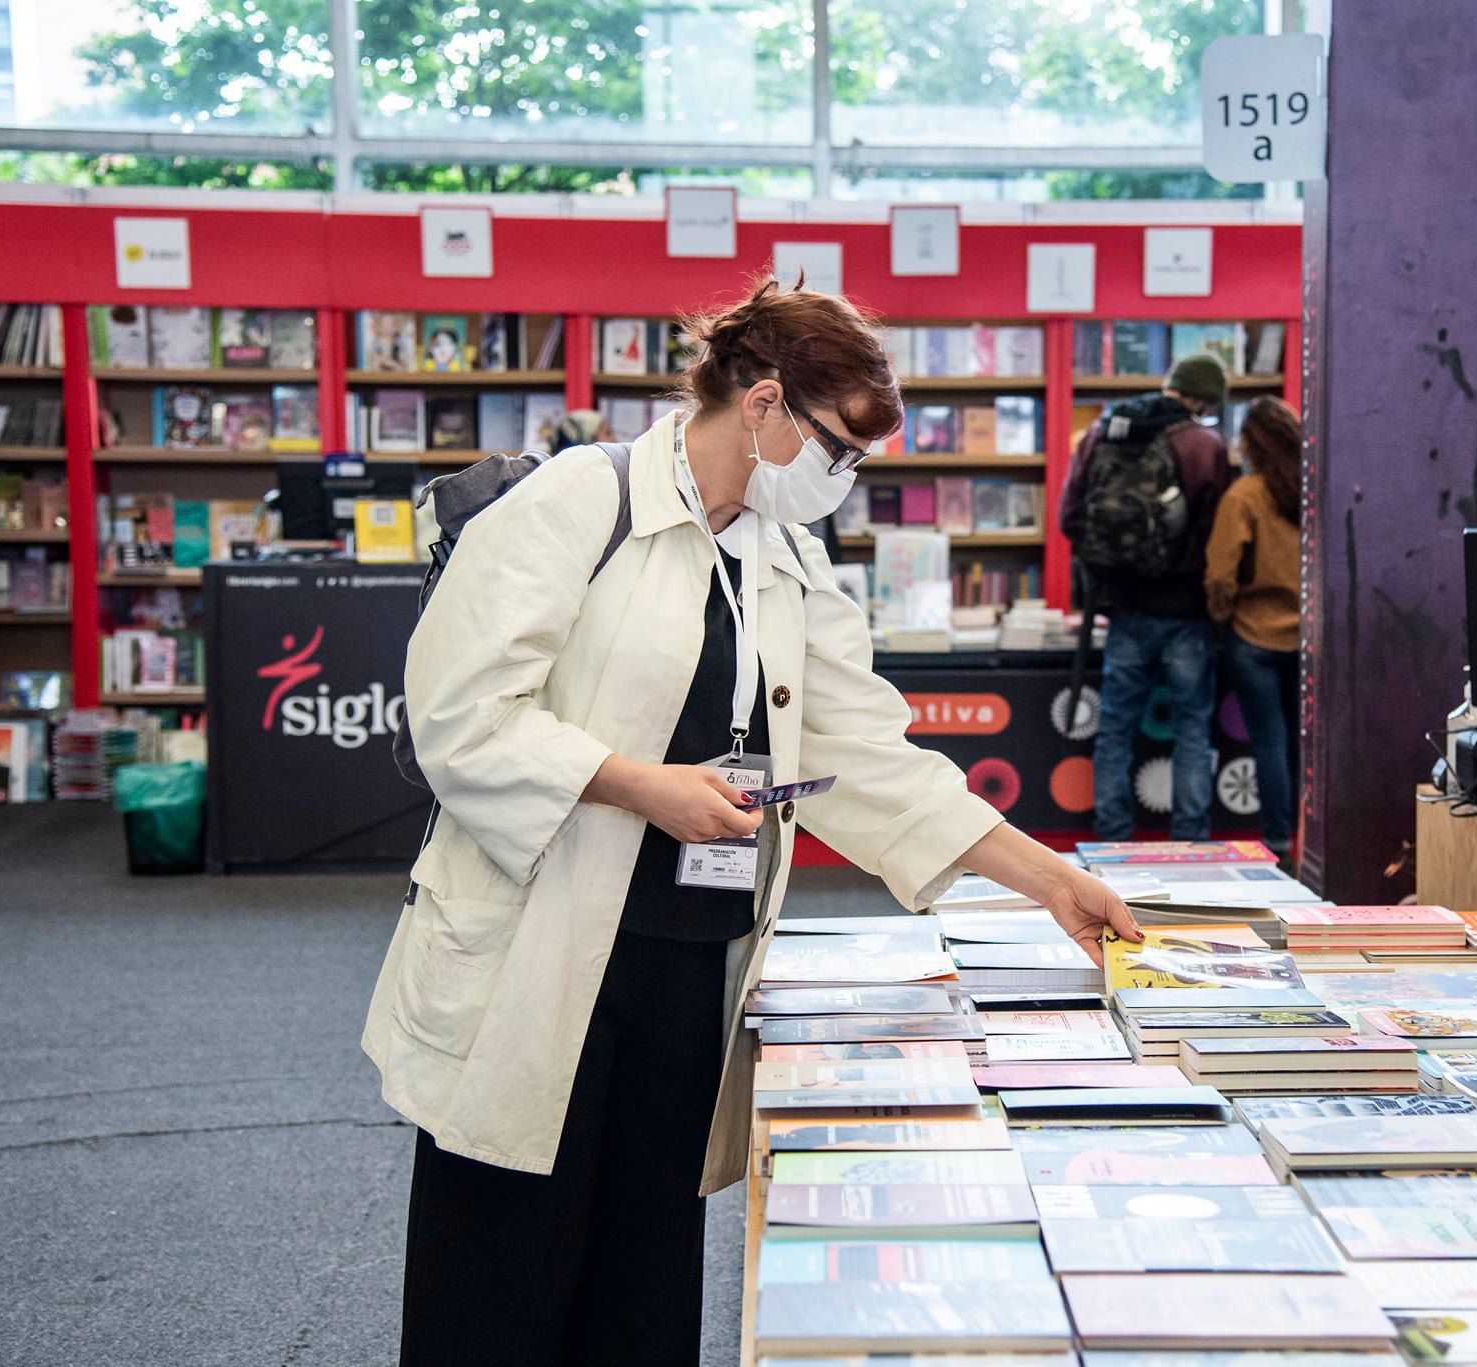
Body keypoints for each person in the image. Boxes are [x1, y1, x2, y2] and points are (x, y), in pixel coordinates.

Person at [364, 279, 1142, 1366]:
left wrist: (1046, 876)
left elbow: (864, 752)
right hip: (539, 953)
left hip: (688, 961)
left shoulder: (780, 551)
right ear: (765, 405)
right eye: (838, 449)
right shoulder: (579, 503)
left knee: (639, 1275)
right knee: (497, 1273)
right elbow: (458, 715)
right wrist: (644, 784)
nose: (844, 479)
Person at [1059, 352, 1233, 841]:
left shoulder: (1103, 432)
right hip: (1187, 611)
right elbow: (1216, 531)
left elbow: (1070, 517)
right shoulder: (1204, 444)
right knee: (1192, 728)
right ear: (1204, 399)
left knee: (1115, 726)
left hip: (1125, 606)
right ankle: (1191, 842)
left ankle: (1112, 840)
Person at [1203, 395, 1304, 857]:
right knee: (1304, 745)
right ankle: (1309, 841)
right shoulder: (1310, 495)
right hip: (1306, 637)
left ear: (1250, 443)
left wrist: (1223, 619)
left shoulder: (1243, 496)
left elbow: (1220, 575)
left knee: (1268, 741)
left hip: (1253, 636)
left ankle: (1278, 841)